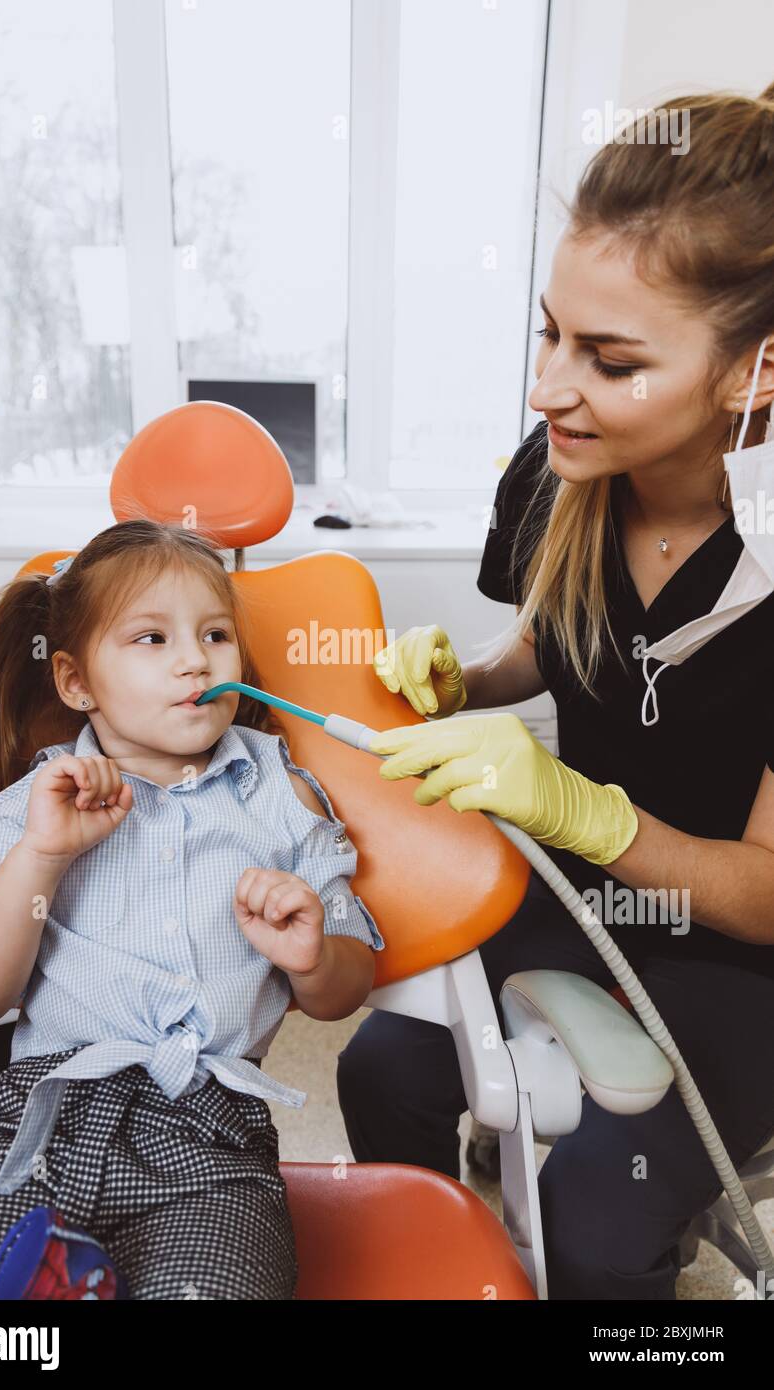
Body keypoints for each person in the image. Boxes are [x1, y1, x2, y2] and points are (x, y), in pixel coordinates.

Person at [337, 84, 774, 1300]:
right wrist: (459, 684)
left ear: (755, 367)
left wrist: (592, 813)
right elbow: (548, 642)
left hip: (736, 965)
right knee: (381, 1071)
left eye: (609, 359)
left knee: (592, 1215)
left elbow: (765, 893)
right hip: (571, 898)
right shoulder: (561, 468)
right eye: (549, 333)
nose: (547, 389)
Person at [0, 519, 384, 1300]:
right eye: (152, 639)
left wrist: (314, 954)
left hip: (212, 1141)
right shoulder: (31, 809)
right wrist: (44, 854)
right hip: (32, 1128)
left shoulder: (283, 797)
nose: (196, 659)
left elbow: (342, 993)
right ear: (75, 682)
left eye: (216, 634)